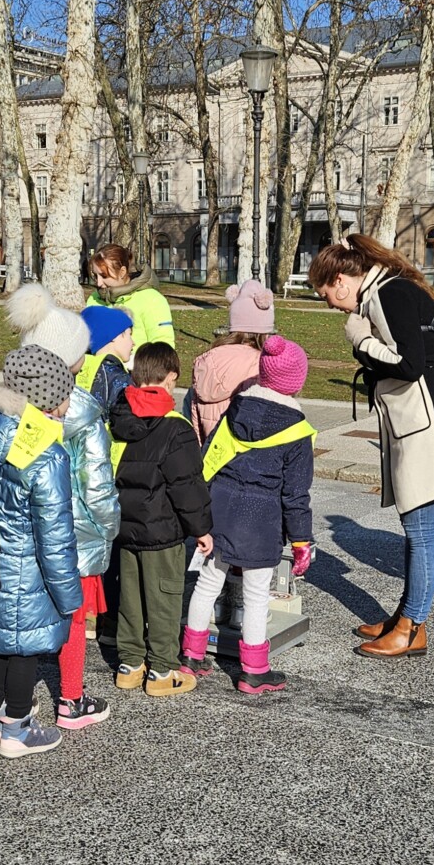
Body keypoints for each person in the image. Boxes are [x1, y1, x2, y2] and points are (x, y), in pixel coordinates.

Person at [311, 232, 434, 661]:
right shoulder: (385, 293)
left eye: (326, 294)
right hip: (425, 428)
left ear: (340, 281)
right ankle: (404, 618)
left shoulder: (390, 294)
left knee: (422, 533)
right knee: (418, 532)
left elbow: (409, 365)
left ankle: (412, 629)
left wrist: (360, 340)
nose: (330, 305)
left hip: (430, 433)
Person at [8, 284, 118, 731]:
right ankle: (71, 698)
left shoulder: (10, 404)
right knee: (72, 615)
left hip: (21, 528)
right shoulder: (85, 414)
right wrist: (108, 526)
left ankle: (13, 698)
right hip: (75, 532)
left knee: (24, 607)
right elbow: (97, 481)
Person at [182, 335, 315, 694]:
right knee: (256, 595)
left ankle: (192, 655)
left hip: (220, 509)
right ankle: (254, 670)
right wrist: (301, 540)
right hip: (262, 520)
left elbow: (209, 457)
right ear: (296, 382)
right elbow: (295, 494)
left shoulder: (235, 409)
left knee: (208, 582)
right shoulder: (297, 430)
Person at [0, 347, 84, 756]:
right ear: (51, 400)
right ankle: (16, 729)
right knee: (23, 647)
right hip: (27, 570)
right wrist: (69, 596)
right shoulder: (47, 455)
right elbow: (55, 537)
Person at [109, 341, 213, 697]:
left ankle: (129, 665)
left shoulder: (119, 417)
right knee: (164, 600)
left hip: (124, 527)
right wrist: (201, 528)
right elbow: (186, 485)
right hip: (163, 530)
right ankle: (162, 670)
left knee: (130, 598)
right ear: (170, 378)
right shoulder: (176, 428)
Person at [187, 280, 272, 444]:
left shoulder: (206, 361)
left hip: (210, 450)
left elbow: (194, 416)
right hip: (243, 452)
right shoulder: (259, 365)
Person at [89, 243, 176, 348]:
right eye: (95, 276)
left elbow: (163, 348)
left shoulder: (152, 300)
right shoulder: (94, 299)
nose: (98, 283)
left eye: (104, 276)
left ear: (122, 272)